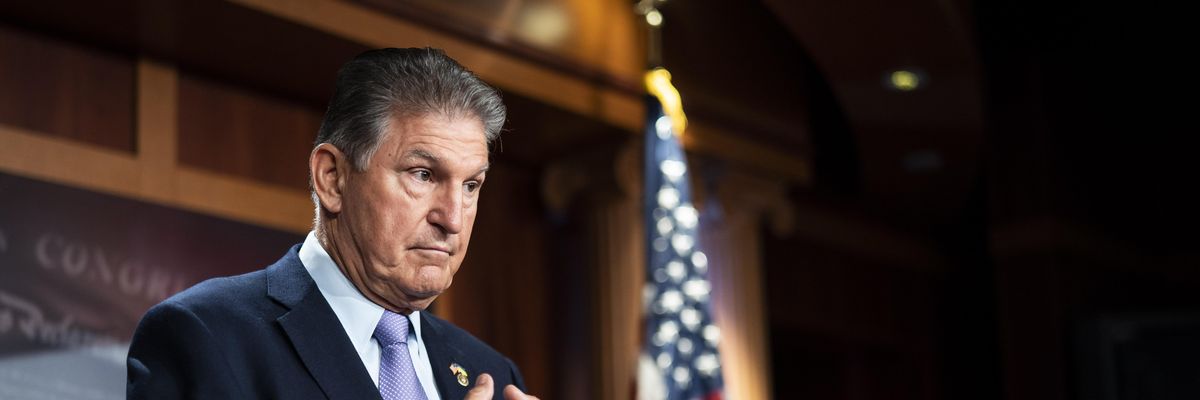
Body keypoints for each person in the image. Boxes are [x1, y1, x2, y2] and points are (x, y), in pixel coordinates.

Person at [127, 48, 537, 400]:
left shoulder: (492, 373)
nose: (452, 218)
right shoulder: (204, 336)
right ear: (332, 178)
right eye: (422, 174)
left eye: (470, 185)